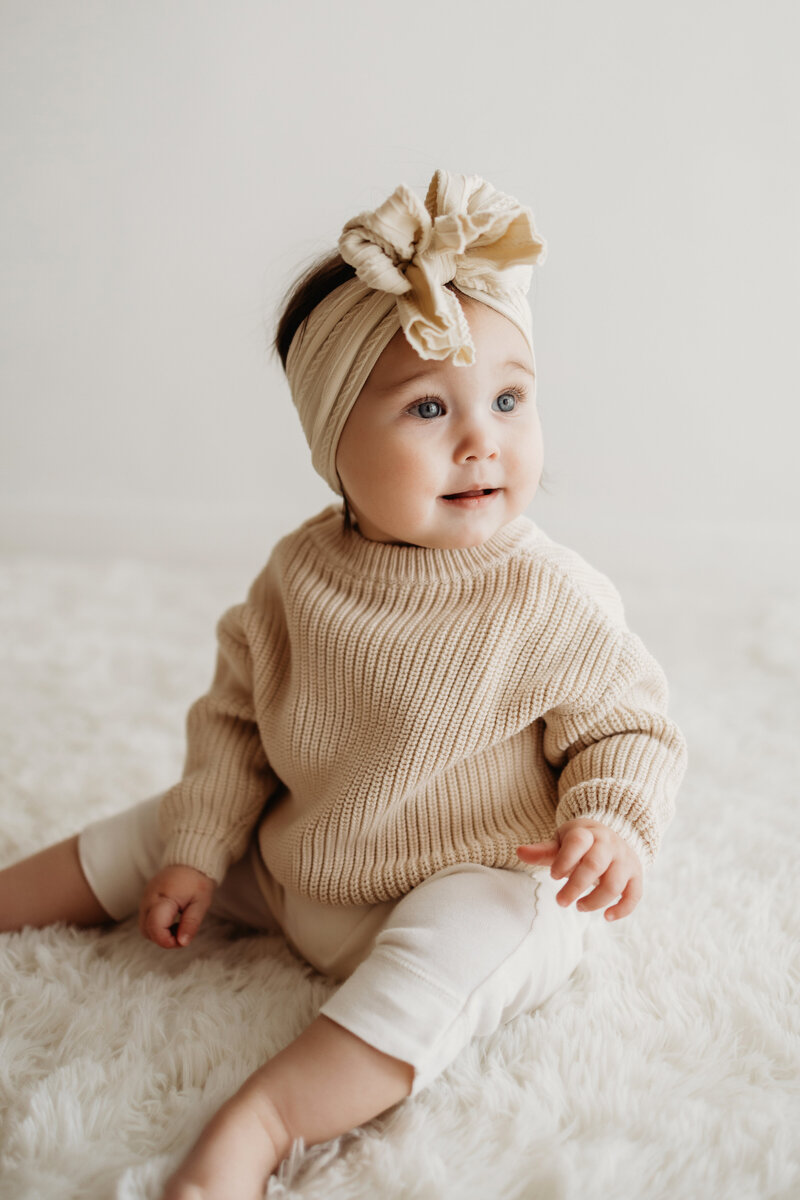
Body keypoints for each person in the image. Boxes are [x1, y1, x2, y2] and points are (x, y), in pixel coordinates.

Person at [0, 169, 688, 1200]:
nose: (480, 439)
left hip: (474, 863)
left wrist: (610, 821)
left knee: (465, 947)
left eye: (507, 398)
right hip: (305, 855)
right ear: (331, 446)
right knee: (161, 828)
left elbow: (629, 728)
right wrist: (198, 848)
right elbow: (235, 724)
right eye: (427, 406)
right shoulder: (297, 575)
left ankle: (261, 1121)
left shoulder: (545, 594)